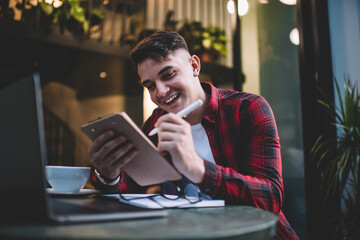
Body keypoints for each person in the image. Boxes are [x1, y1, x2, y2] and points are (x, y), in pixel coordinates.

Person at [88, 31, 299, 239]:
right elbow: (130, 189)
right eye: (150, 85)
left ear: (194, 66)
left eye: (168, 74)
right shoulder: (155, 123)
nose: (160, 92)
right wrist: (109, 175)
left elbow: (270, 199)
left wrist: (196, 168)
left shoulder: (247, 109)